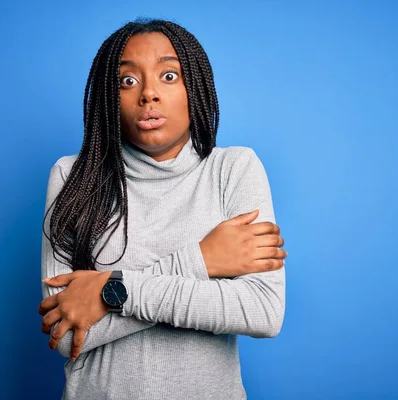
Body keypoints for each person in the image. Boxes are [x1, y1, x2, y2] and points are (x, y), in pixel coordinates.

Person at [38, 18, 287, 400]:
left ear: (195, 88)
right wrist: (201, 261)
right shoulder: (72, 176)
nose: (148, 93)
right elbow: (66, 332)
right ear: (109, 97)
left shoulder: (233, 169)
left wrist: (109, 291)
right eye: (128, 81)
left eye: (169, 76)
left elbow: (261, 311)